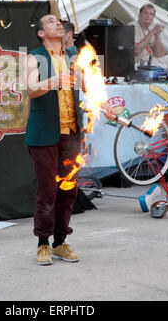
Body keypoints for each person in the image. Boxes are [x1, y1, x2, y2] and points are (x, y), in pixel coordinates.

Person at [25, 14, 115, 265]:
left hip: (71, 134)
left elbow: (89, 87)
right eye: (50, 21)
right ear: (41, 33)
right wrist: (54, 80)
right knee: (47, 191)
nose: (56, 22)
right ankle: (43, 243)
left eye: (58, 21)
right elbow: (31, 88)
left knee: (68, 190)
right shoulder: (34, 57)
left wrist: (106, 106)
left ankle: (60, 242)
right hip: (43, 135)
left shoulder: (73, 58)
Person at [128, 3, 168, 72]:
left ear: (153, 18)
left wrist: (157, 36)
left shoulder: (149, 30)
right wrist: (152, 32)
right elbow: (136, 51)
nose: (148, 16)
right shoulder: (132, 26)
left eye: (151, 14)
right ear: (139, 15)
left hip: (150, 62)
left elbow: (159, 54)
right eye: (146, 13)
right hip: (136, 63)